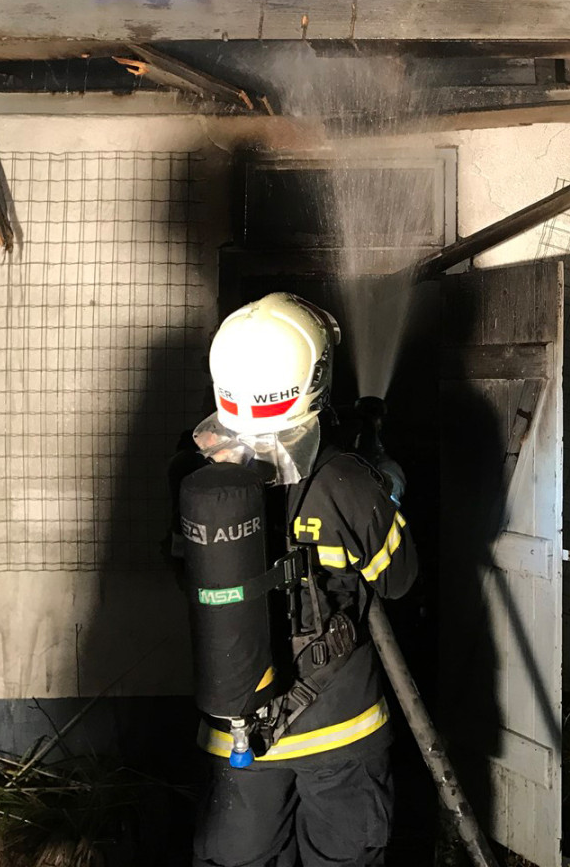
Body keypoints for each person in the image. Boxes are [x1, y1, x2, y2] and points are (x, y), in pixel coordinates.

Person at [174, 293, 417, 867]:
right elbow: (400, 581)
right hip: (340, 728)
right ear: (312, 378)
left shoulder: (193, 481)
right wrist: (389, 488)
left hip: (237, 733)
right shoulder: (346, 483)